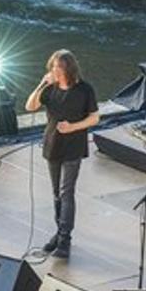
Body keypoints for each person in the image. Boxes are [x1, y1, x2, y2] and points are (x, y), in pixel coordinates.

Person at [25, 50, 100, 259]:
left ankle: (65, 239)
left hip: (73, 146)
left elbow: (94, 118)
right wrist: (42, 84)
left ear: (68, 68)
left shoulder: (84, 90)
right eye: (52, 67)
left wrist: (74, 126)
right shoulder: (50, 89)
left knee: (67, 192)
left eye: (58, 67)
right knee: (56, 193)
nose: (54, 71)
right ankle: (58, 234)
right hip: (53, 144)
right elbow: (30, 106)